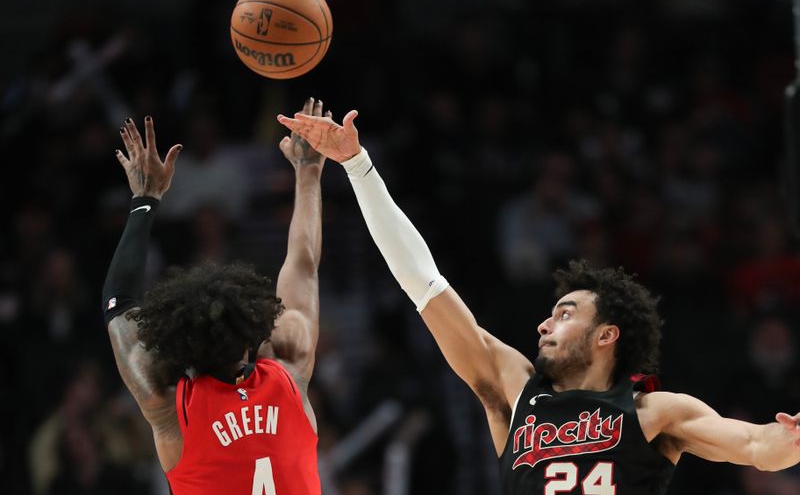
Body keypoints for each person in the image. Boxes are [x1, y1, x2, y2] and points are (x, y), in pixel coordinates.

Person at [277, 106, 800, 494]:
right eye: (551, 314)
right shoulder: (514, 389)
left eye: (565, 314)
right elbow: (425, 283)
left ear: (607, 335)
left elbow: (756, 446)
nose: (544, 326)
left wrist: (789, 441)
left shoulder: (656, 412)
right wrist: (358, 166)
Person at [103, 98, 328, 495]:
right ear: (253, 332)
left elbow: (118, 302)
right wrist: (308, 171)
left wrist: (145, 199)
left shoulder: (172, 406)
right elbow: (303, 263)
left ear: (181, 345)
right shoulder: (289, 371)